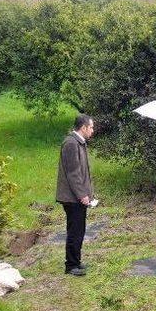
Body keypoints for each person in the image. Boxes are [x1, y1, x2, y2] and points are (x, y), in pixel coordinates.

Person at [56, 114, 95, 276]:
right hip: (72, 198)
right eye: (91, 127)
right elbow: (73, 174)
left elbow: (82, 172)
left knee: (79, 230)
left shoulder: (78, 142)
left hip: (77, 196)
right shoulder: (71, 143)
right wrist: (82, 195)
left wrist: (88, 193)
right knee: (75, 231)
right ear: (83, 127)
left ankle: (76, 261)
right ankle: (71, 265)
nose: (93, 130)